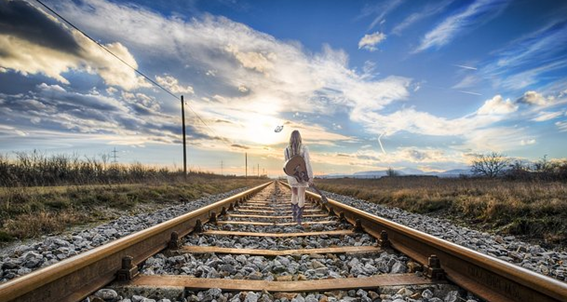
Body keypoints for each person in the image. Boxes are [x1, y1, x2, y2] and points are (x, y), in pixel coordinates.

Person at [284, 130, 313, 226]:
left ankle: (293, 215)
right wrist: (310, 176)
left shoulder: (286, 149)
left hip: (292, 176)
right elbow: (307, 163)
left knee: (294, 194)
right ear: (300, 137)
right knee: (301, 195)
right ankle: (299, 218)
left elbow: (287, 164)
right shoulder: (304, 148)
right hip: (302, 175)